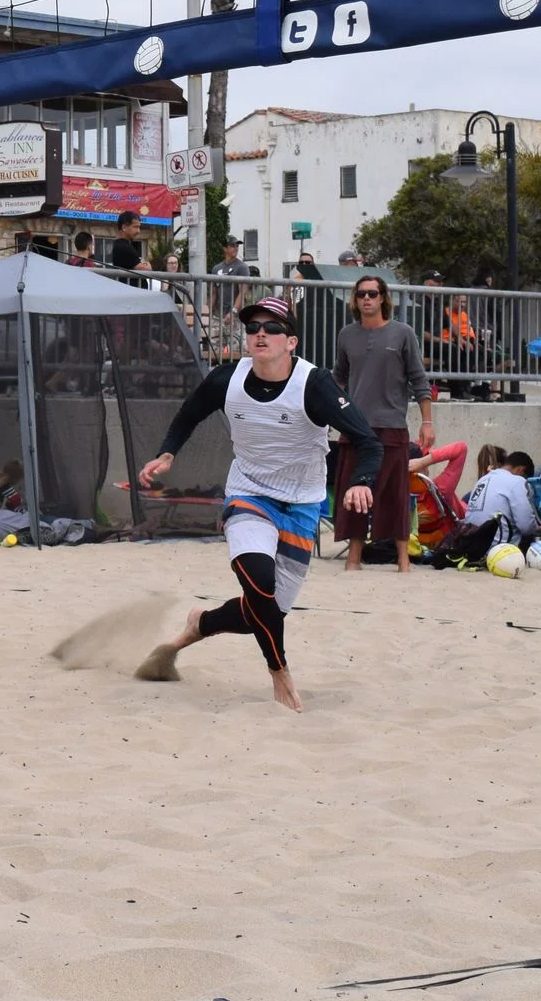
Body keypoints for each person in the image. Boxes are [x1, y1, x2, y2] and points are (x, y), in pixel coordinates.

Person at [138, 295, 383, 712]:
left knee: (263, 612)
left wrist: (361, 482)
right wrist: (167, 453)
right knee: (258, 579)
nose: (260, 334)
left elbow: (368, 442)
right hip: (249, 493)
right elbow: (188, 414)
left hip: (302, 504)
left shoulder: (314, 384)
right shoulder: (226, 379)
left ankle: (197, 626)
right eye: (253, 328)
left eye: (271, 328)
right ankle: (279, 672)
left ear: (292, 341)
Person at [332, 275, 435, 572]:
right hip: (355, 427)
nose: (366, 299)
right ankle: (354, 558)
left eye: (372, 293)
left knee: (395, 494)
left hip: (392, 426)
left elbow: (419, 380)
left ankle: (403, 561)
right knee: (354, 493)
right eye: (361, 293)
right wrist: (327, 412)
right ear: (355, 299)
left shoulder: (402, 333)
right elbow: (338, 378)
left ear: (382, 298)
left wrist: (427, 422)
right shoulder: (346, 335)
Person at [431, 448, 539, 566]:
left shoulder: (483, 479)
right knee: (536, 537)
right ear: (521, 470)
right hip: (497, 551)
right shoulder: (517, 481)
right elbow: (526, 526)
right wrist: (536, 528)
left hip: (471, 546)